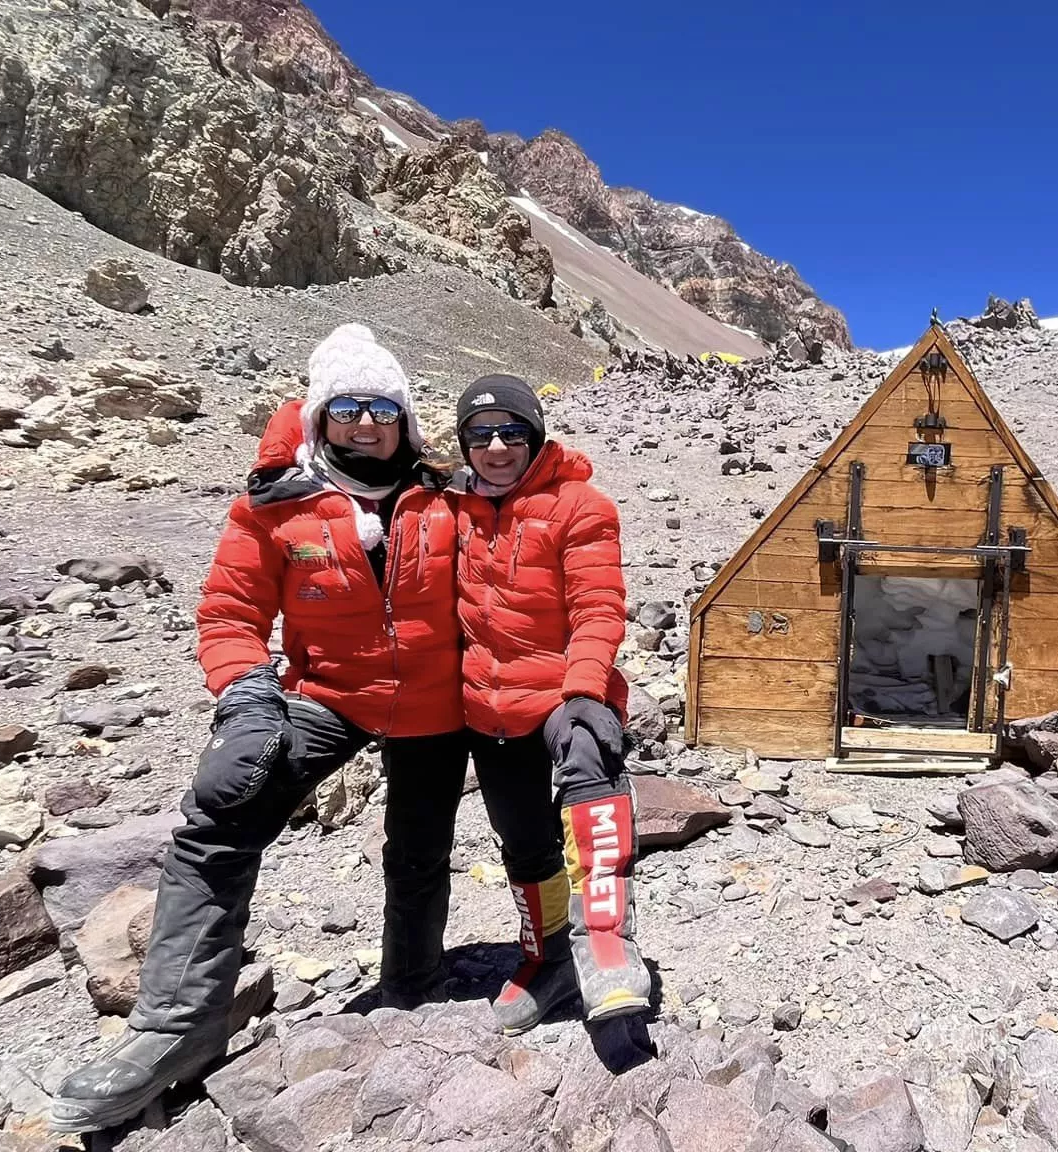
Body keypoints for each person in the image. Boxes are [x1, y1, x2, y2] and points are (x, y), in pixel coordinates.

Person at [50, 325, 465, 1133]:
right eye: (347, 407)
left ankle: (411, 986)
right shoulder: (275, 505)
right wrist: (246, 694)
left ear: (406, 421)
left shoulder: (445, 497)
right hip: (329, 693)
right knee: (219, 817)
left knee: (420, 849)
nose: (366, 423)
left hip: (434, 703)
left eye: (383, 408)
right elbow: (231, 613)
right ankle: (176, 1027)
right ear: (320, 416)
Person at [448, 373, 648, 1033]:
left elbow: (598, 606)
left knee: (589, 750)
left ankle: (606, 943)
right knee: (524, 841)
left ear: (534, 437)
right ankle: (549, 958)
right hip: (489, 704)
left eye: (512, 431)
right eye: (480, 433)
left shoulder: (579, 506)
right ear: (464, 443)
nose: (496, 446)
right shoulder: (453, 506)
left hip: (564, 686)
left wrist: (587, 687)